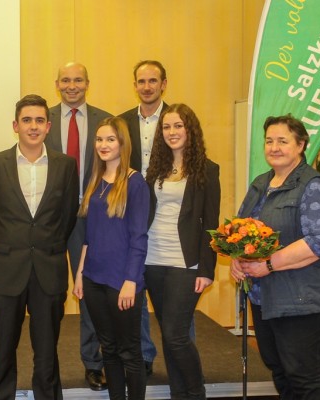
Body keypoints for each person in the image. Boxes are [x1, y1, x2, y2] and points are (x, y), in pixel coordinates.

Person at [231, 114, 320, 399]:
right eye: (269, 141)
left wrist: (267, 264)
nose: (274, 147)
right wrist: (236, 259)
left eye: (282, 141)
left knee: (306, 379)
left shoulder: (312, 185)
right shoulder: (261, 183)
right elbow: (240, 230)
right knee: (281, 373)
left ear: (301, 144)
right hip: (264, 298)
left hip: (301, 301)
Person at [0, 94, 79, 400]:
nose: (33, 127)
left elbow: (66, 218)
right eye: (26, 120)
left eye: (39, 121)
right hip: (5, 272)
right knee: (1, 352)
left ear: (48, 126)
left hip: (48, 272)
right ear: (15, 125)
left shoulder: (65, 165)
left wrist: (46, 246)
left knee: (47, 353)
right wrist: (9, 246)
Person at [144, 104, 220, 400]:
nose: (172, 132)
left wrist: (206, 268)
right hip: (152, 260)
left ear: (190, 130)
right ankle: (180, 394)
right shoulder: (156, 169)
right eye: (166, 127)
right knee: (169, 334)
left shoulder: (207, 170)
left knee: (176, 335)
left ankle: (195, 391)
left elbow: (211, 223)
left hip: (184, 263)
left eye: (178, 126)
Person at [45, 62, 112, 391]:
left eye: (78, 80)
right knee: (50, 293)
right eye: (66, 80)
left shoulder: (106, 120)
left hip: (93, 218)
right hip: (52, 222)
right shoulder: (43, 119)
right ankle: (47, 366)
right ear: (57, 84)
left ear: (88, 83)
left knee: (89, 292)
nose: (72, 85)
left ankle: (93, 362)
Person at [73, 116, 149, 400]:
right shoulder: (95, 179)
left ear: (122, 143)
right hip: (93, 279)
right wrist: (80, 273)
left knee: (130, 352)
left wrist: (131, 280)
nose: (103, 145)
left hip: (122, 281)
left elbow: (139, 237)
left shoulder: (134, 182)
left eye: (110, 140)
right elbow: (89, 236)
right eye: (99, 139)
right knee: (109, 349)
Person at [118, 59, 169, 374]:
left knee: (169, 293)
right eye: (141, 81)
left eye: (153, 80)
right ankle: (143, 357)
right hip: (132, 214)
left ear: (163, 83)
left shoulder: (178, 119)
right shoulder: (122, 122)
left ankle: (178, 357)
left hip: (168, 214)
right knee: (133, 285)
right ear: (134, 85)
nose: (147, 86)